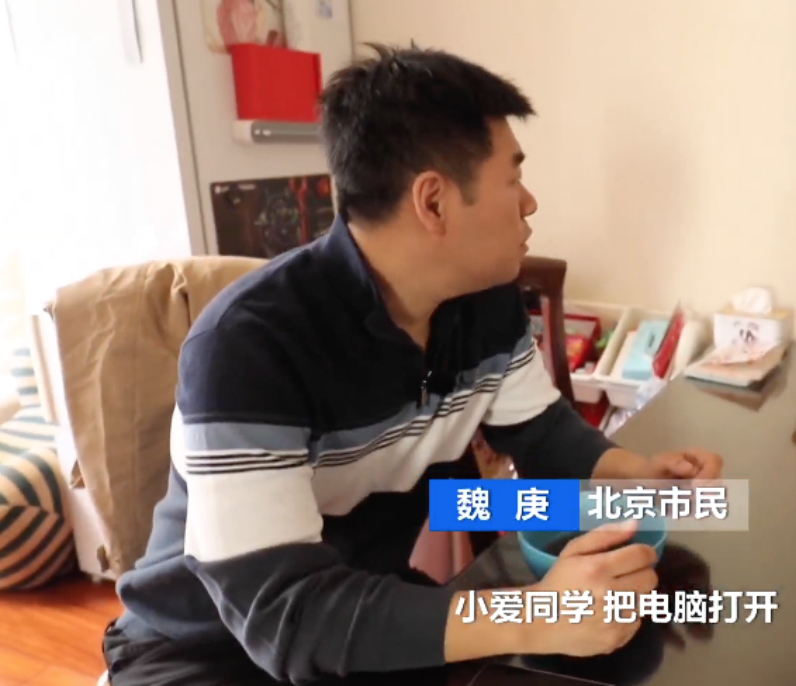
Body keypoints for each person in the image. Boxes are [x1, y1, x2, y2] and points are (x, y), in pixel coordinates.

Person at [101, 44, 724, 686]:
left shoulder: (486, 302)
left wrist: (637, 471)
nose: (530, 202)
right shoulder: (246, 346)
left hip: (369, 610)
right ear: (434, 202)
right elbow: (288, 617)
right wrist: (535, 613)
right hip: (204, 649)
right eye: (513, 179)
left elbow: (540, 432)